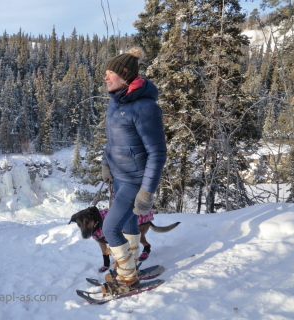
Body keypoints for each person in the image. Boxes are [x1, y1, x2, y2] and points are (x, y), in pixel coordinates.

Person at [99, 47, 167, 296]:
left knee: (109, 229)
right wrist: (106, 163)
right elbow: (112, 142)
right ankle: (131, 264)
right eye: (106, 73)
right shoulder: (115, 104)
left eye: (110, 73)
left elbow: (157, 153)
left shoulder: (145, 107)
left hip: (134, 181)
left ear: (125, 75)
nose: (106, 77)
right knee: (127, 222)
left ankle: (128, 278)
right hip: (119, 177)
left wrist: (147, 191)